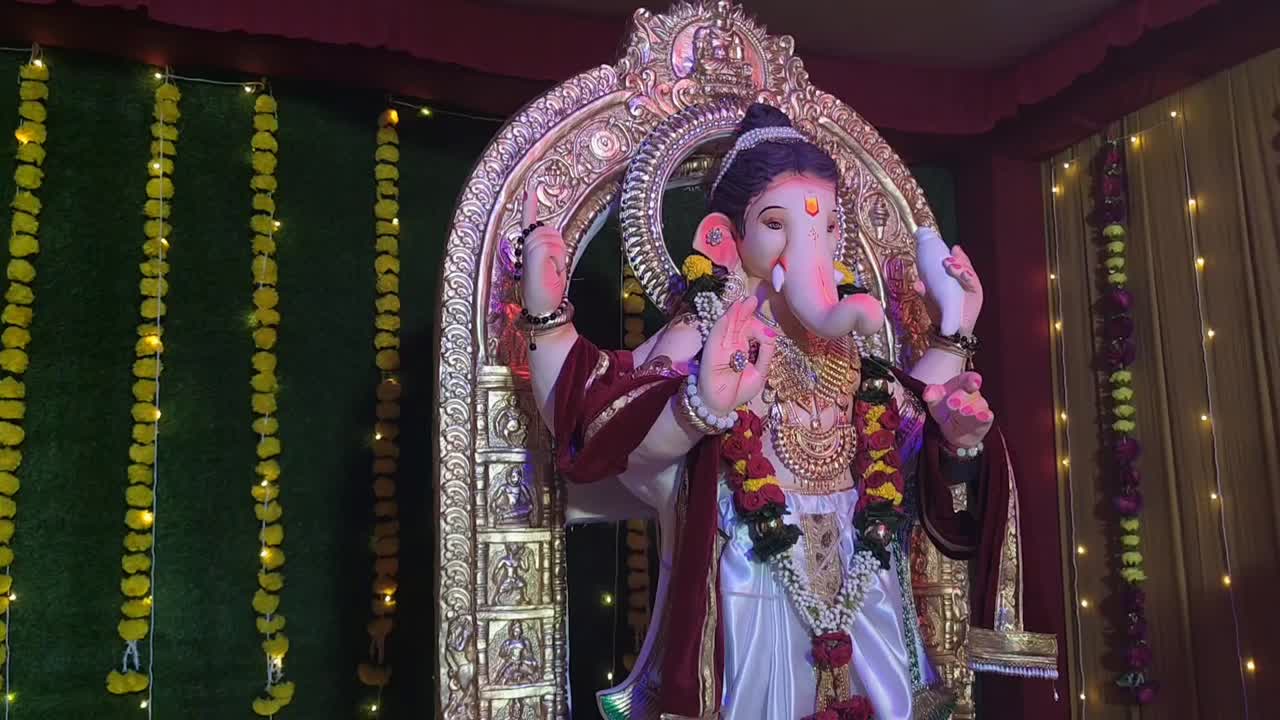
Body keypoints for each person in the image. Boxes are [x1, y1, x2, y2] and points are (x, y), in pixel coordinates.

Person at [515, 103, 1041, 720]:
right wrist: (552, 324)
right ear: (725, 236)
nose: (809, 246)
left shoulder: (847, 348)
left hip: (862, 580)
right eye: (776, 223)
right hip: (753, 584)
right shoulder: (712, 329)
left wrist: (955, 348)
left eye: (826, 228)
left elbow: (907, 418)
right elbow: (610, 428)